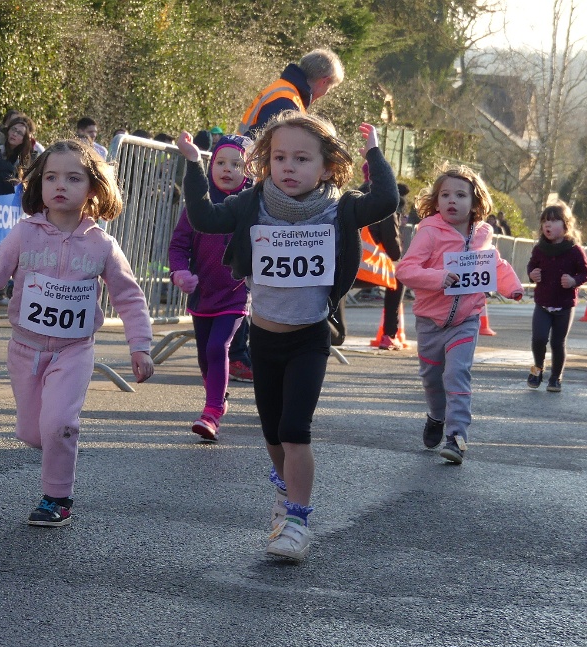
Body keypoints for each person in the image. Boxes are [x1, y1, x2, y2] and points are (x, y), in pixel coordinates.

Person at [175, 111, 399, 561]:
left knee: (296, 430)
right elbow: (202, 217)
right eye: (279, 158)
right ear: (265, 162)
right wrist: (194, 165)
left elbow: (386, 200)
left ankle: (297, 521)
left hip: (309, 338)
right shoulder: (251, 204)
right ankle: (285, 491)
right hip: (264, 338)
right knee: (274, 434)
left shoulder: (341, 208)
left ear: (327, 167)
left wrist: (374, 152)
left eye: (301, 158)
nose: (289, 167)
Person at [0, 138, 154, 527]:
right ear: (39, 184)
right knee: (35, 432)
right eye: (51, 177)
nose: (60, 185)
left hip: (74, 351)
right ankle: (48, 446)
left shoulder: (102, 245)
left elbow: (129, 298)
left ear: (94, 188)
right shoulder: (23, 234)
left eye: (73, 178)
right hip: (25, 348)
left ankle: (57, 498)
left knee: (60, 424)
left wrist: (140, 346)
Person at [395, 165, 523, 465]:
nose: (452, 200)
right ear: (436, 201)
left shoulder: (483, 234)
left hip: (466, 320)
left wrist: (512, 287)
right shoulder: (429, 232)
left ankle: (456, 437)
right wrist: (438, 277)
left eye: (461, 195)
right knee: (432, 379)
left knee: (456, 374)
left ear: (476, 202)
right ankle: (436, 416)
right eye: (445, 195)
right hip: (430, 321)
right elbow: (406, 270)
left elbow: (495, 263)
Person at [168, 134, 252, 441]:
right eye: (220, 162)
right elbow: (178, 245)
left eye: (236, 164)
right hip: (202, 293)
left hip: (236, 292)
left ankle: (212, 411)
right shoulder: (198, 206)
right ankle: (218, 397)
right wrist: (179, 272)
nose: (227, 169)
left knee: (218, 347)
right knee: (205, 355)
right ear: (210, 165)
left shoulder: (253, 206)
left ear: (250, 171)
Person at [525, 201, 587, 392]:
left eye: (554, 220)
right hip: (543, 303)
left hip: (564, 305)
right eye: (545, 221)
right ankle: (537, 370)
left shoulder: (574, 250)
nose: (548, 224)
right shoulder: (539, 249)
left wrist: (573, 280)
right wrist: (532, 274)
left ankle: (555, 377)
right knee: (538, 339)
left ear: (566, 225)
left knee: (557, 343)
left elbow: (586, 273)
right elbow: (531, 266)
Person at [238, 48, 344, 136]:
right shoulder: (287, 102)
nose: (326, 93)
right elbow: (263, 144)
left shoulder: (283, 89)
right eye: (329, 88)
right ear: (323, 81)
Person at [361, 170, 411, 349]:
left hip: (340, 269)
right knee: (399, 277)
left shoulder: (351, 199)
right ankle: (389, 335)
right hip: (365, 267)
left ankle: (335, 331)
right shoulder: (387, 205)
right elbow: (394, 251)